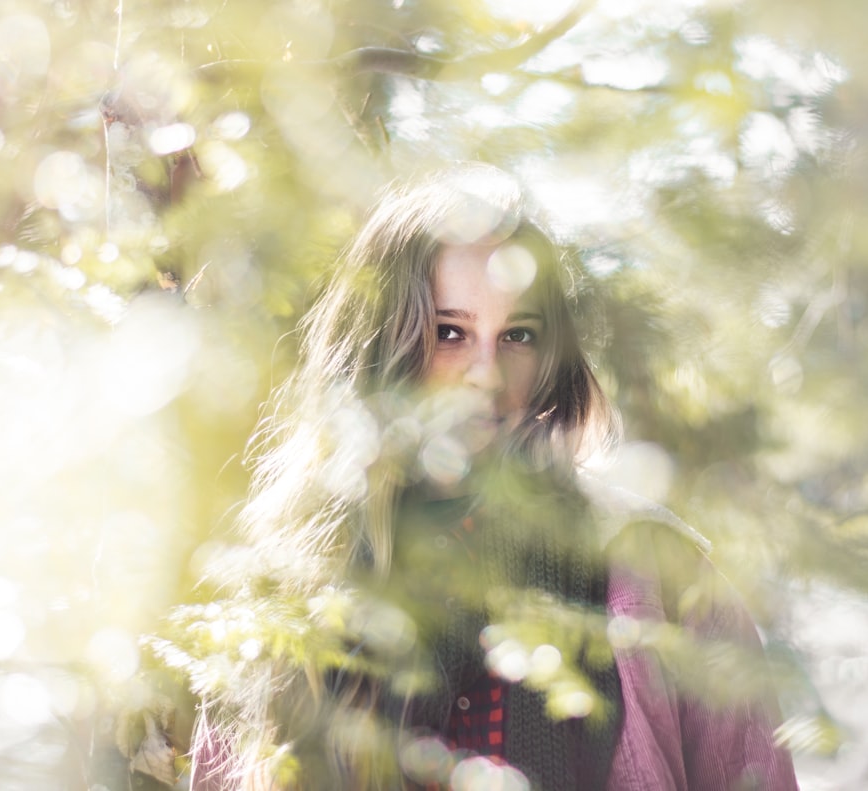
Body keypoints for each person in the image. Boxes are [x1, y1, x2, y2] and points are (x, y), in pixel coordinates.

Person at [187, 164, 799, 791]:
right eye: (449, 333)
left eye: (518, 335)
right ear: (381, 349)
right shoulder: (293, 582)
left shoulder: (661, 574)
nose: (487, 374)